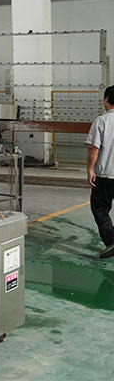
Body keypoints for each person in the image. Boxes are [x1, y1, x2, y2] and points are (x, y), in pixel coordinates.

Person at [87, 85, 114, 258]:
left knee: (100, 208)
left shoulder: (102, 121)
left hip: (106, 176)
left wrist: (90, 169)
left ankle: (111, 241)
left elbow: (93, 148)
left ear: (107, 100)